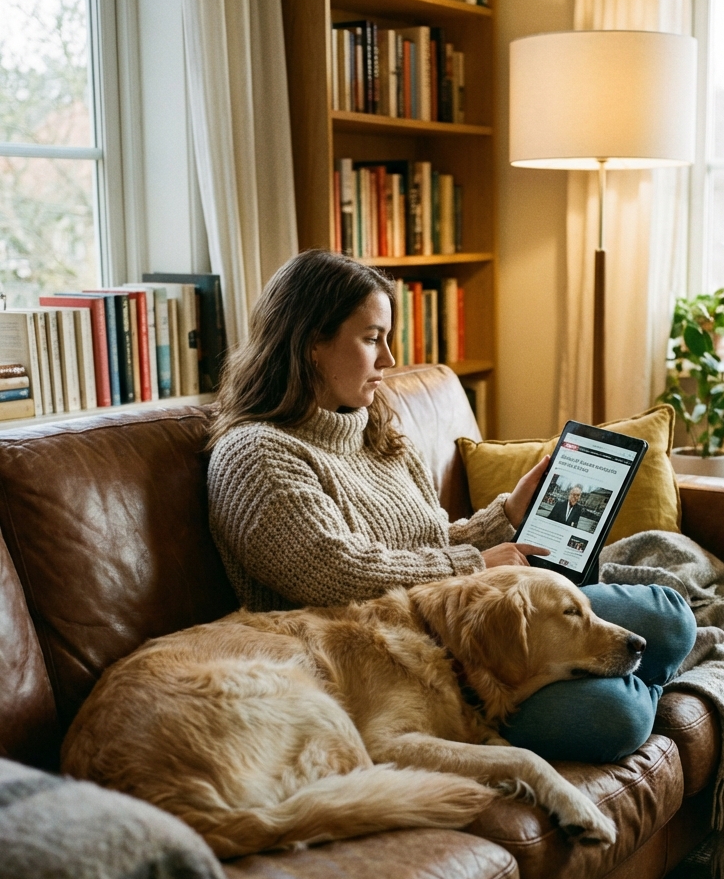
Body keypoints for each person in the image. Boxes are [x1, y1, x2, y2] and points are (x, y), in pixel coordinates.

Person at [207, 251, 695, 763]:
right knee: (618, 717)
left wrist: (506, 514)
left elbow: (429, 544)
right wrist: (476, 565)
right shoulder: (255, 453)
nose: (390, 360)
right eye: (372, 338)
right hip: (404, 676)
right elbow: (334, 572)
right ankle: (634, 690)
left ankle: (621, 677)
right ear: (311, 344)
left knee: (668, 619)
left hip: (464, 627)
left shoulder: (379, 435)